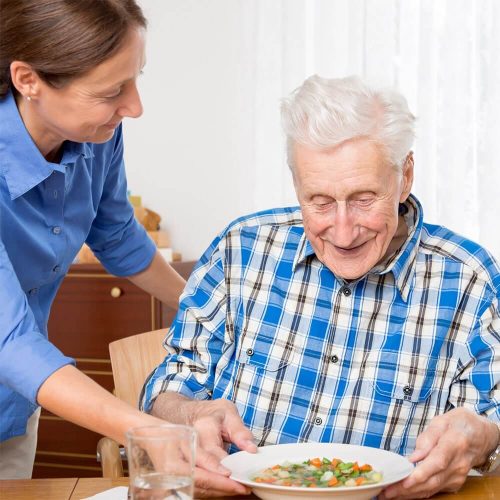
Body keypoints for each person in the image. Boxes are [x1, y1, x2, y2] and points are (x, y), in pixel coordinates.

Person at [141, 75, 500, 499]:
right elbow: (169, 386)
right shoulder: (240, 248)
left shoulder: (469, 279)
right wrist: (188, 412)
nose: (344, 233)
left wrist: (483, 437)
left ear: (404, 176)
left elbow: (489, 418)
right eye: (320, 202)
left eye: (364, 198)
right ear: (297, 185)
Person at [0, 1, 254, 494]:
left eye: (135, 79)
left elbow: (116, 235)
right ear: (28, 80)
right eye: (113, 91)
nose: (134, 107)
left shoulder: (96, 137)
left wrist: (206, 313)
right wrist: (151, 431)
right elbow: (9, 341)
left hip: (14, 405)